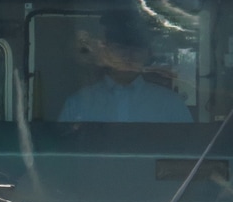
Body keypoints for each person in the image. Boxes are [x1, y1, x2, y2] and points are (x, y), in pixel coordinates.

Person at [58, 12, 192, 124]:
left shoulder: (171, 104)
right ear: (106, 51)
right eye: (120, 48)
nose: (128, 56)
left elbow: (187, 151)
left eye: (137, 49)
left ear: (148, 54)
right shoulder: (78, 104)